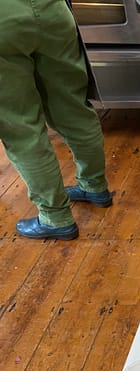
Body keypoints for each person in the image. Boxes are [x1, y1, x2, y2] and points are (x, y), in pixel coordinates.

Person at [0, 0, 112, 241]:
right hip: (52, 11)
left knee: (21, 129)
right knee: (74, 110)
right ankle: (94, 186)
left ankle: (55, 216)